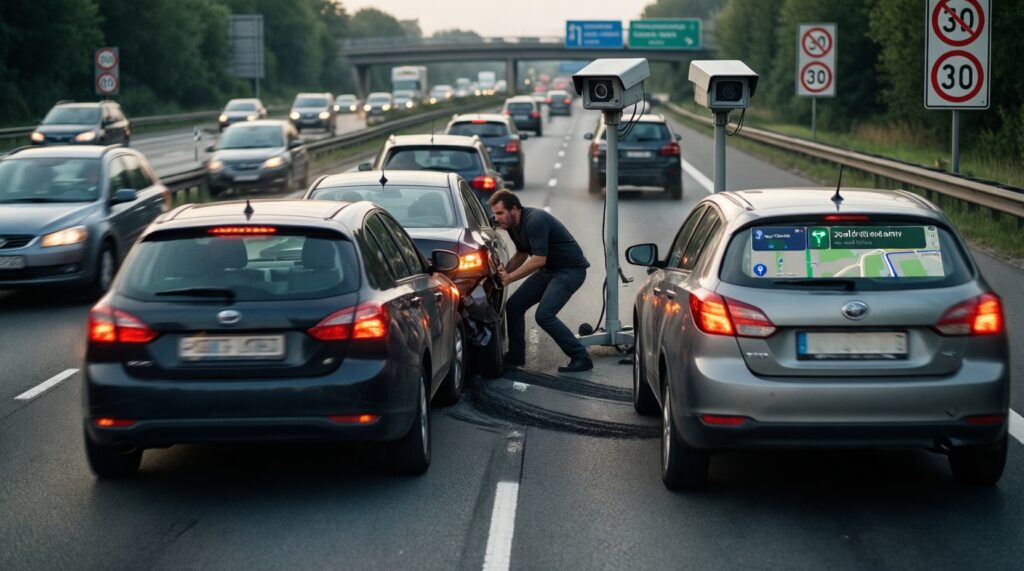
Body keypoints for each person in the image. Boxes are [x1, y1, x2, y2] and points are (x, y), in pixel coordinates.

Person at [489, 189, 593, 373]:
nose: (496, 218)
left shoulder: (535, 220)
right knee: (514, 306)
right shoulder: (513, 226)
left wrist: (510, 278)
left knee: (544, 315)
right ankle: (516, 356)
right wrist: (503, 272)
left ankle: (580, 357)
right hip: (549, 271)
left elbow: (538, 260)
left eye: (500, 213)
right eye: (494, 213)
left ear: (514, 209)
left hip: (569, 271)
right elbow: (521, 253)